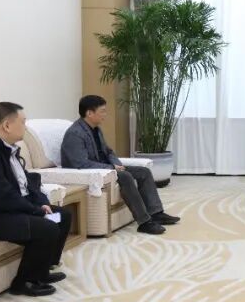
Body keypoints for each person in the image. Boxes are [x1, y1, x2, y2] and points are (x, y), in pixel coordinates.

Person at [0, 102, 73, 297]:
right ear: (7, 125)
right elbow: (1, 195)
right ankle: (23, 282)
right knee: (48, 227)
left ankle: (41, 272)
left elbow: (27, 182)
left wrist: (41, 202)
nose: (26, 126)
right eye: (23, 122)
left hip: (13, 208)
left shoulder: (5, 147)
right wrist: (36, 211)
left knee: (62, 217)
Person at [60, 95, 179, 235]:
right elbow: (81, 163)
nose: (105, 114)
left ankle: (156, 213)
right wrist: (111, 168)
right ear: (89, 113)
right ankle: (144, 222)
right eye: (102, 111)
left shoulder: (96, 129)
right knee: (125, 176)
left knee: (144, 172)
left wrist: (116, 164)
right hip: (95, 172)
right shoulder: (75, 134)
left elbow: (108, 151)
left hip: (107, 168)